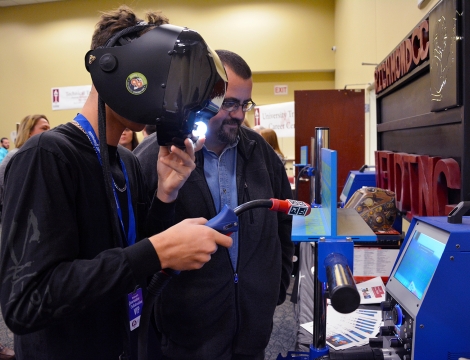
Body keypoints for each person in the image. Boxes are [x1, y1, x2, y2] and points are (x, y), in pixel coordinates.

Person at [0, 6, 231, 360]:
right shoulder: (47, 155)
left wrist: (166, 196)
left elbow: (133, 260)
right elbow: (26, 302)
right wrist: (159, 251)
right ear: (117, 68)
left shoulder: (124, 160)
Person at [135, 49, 293, 359]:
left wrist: (275, 285)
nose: (238, 114)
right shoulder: (156, 156)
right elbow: (140, 242)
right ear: (201, 98)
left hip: (252, 329)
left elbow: (282, 219)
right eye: (229, 103)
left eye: (244, 104)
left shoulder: (259, 151)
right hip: (186, 335)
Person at [0, 114, 51, 204]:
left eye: (49, 129)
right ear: (29, 132)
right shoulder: (15, 156)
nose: (49, 132)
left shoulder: (39, 155)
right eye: (44, 128)